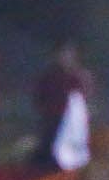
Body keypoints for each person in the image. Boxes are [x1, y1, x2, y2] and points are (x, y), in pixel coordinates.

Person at [31, 39, 92, 169]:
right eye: (62, 53)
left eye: (68, 53)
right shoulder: (49, 76)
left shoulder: (79, 76)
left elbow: (83, 99)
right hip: (51, 121)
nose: (65, 57)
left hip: (71, 126)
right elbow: (40, 95)